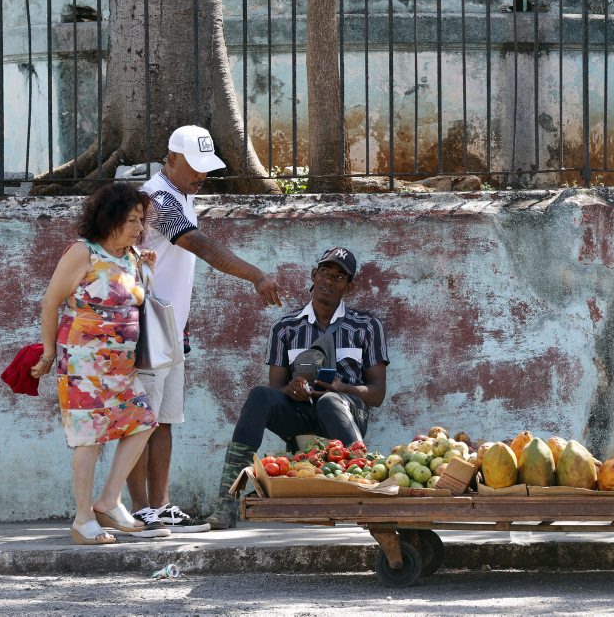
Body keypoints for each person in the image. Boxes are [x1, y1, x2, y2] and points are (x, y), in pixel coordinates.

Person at [126, 125, 283, 534]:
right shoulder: (157, 199)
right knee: (140, 420)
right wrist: (255, 275)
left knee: (163, 419)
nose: (202, 175)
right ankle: (140, 508)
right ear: (171, 159)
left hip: (170, 327)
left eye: (206, 167)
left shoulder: (181, 193)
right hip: (146, 327)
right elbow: (202, 246)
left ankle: (160, 505)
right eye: (194, 167)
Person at [204, 247, 389, 529]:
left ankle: (364, 494)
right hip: (301, 413)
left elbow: (377, 394)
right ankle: (226, 503)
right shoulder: (285, 328)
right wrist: (291, 389)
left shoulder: (366, 326)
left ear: (348, 287)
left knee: (329, 401)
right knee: (259, 396)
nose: (329, 280)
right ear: (314, 275)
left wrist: (341, 388)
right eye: (325, 272)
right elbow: (275, 389)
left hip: (346, 413)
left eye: (339, 276)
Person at [31, 183, 170, 544]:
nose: (140, 228)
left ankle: (108, 501)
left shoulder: (131, 256)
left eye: (141, 220)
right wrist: (48, 353)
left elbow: (136, 299)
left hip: (121, 365)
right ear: (110, 219)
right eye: (132, 220)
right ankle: (82, 519)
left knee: (142, 422)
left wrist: (147, 269)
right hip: (84, 362)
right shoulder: (84, 253)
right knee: (89, 437)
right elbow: (50, 302)